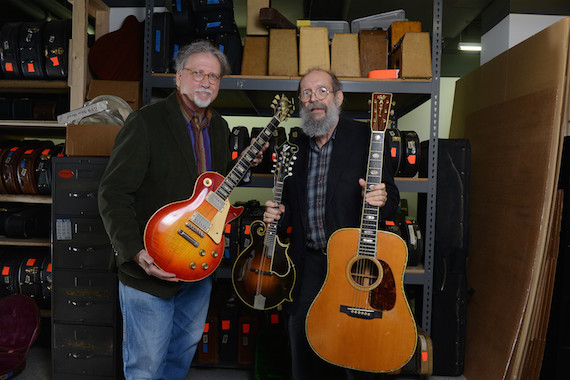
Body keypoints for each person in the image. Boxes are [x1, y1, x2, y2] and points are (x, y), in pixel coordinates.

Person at [98, 40, 265, 380]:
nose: (206, 82)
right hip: (151, 267)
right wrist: (135, 253)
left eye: (214, 77)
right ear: (178, 78)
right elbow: (113, 192)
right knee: (145, 367)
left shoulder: (218, 127)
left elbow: (208, 194)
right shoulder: (146, 123)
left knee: (179, 359)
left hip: (197, 266)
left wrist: (241, 167)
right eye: (197, 73)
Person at [263, 69, 400, 380]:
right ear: (301, 102)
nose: (315, 99)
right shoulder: (295, 146)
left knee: (356, 344)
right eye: (307, 93)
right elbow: (293, 210)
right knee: (302, 339)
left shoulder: (365, 136)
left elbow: (390, 197)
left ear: (338, 97)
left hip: (353, 263)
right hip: (308, 262)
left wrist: (379, 197)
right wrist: (278, 213)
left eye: (322, 91)